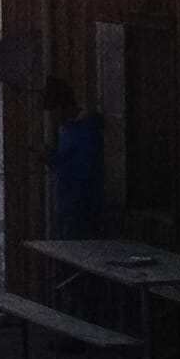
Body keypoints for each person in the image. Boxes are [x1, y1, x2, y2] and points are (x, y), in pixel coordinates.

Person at [43, 74, 103, 239]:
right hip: (66, 205)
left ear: (62, 107)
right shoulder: (66, 130)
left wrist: (52, 158)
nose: (53, 118)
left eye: (54, 112)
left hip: (81, 207)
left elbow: (83, 169)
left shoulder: (85, 130)